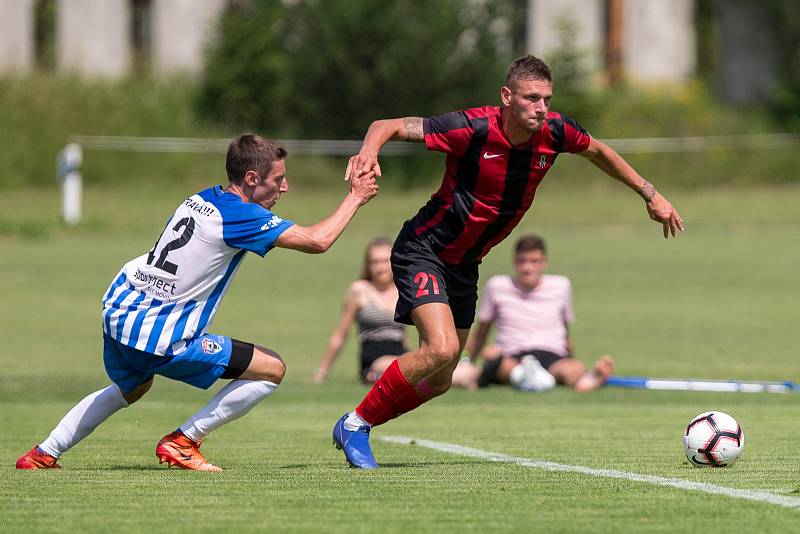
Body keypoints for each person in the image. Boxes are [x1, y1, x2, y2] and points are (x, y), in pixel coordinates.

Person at [332, 54, 684, 469]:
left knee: (442, 378)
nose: (541, 108)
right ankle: (356, 423)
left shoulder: (556, 132)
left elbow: (599, 152)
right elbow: (385, 126)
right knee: (441, 348)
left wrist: (650, 193)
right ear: (506, 96)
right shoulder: (472, 127)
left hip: (465, 264)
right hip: (422, 249)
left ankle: (360, 422)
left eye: (546, 99)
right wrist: (368, 154)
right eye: (531, 98)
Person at [16, 134, 378, 471]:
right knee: (272, 369)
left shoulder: (203, 197)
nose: (284, 187)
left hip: (119, 312)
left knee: (133, 387)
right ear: (251, 178)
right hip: (157, 335)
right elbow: (318, 240)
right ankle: (184, 441)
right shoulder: (241, 216)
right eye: (277, 179)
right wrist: (356, 196)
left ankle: (44, 452)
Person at [451, 234, 614, 392]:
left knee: (574, 367)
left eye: (534, 261)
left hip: (552, 354)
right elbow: (481, 332)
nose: (527, 267)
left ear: (544, 263)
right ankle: (527, 375)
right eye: (522, 261)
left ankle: (584, 379)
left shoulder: (561, 285)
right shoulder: (497, 286)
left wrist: (570, 358)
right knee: (493, 355)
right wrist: (466, 361)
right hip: (513, 355)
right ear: (514, 262)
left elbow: (565, 332)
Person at [314, 237, 407, 384]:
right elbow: (341, 334)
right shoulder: (359, 290)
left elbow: (404, 335)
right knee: (404, 368)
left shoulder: (403, 290)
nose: (380, 267)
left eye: (385, 261)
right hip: (374, 362)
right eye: (375, 262)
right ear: (368, 265)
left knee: (450, 372)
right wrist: (322, 372)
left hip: (402, 356)